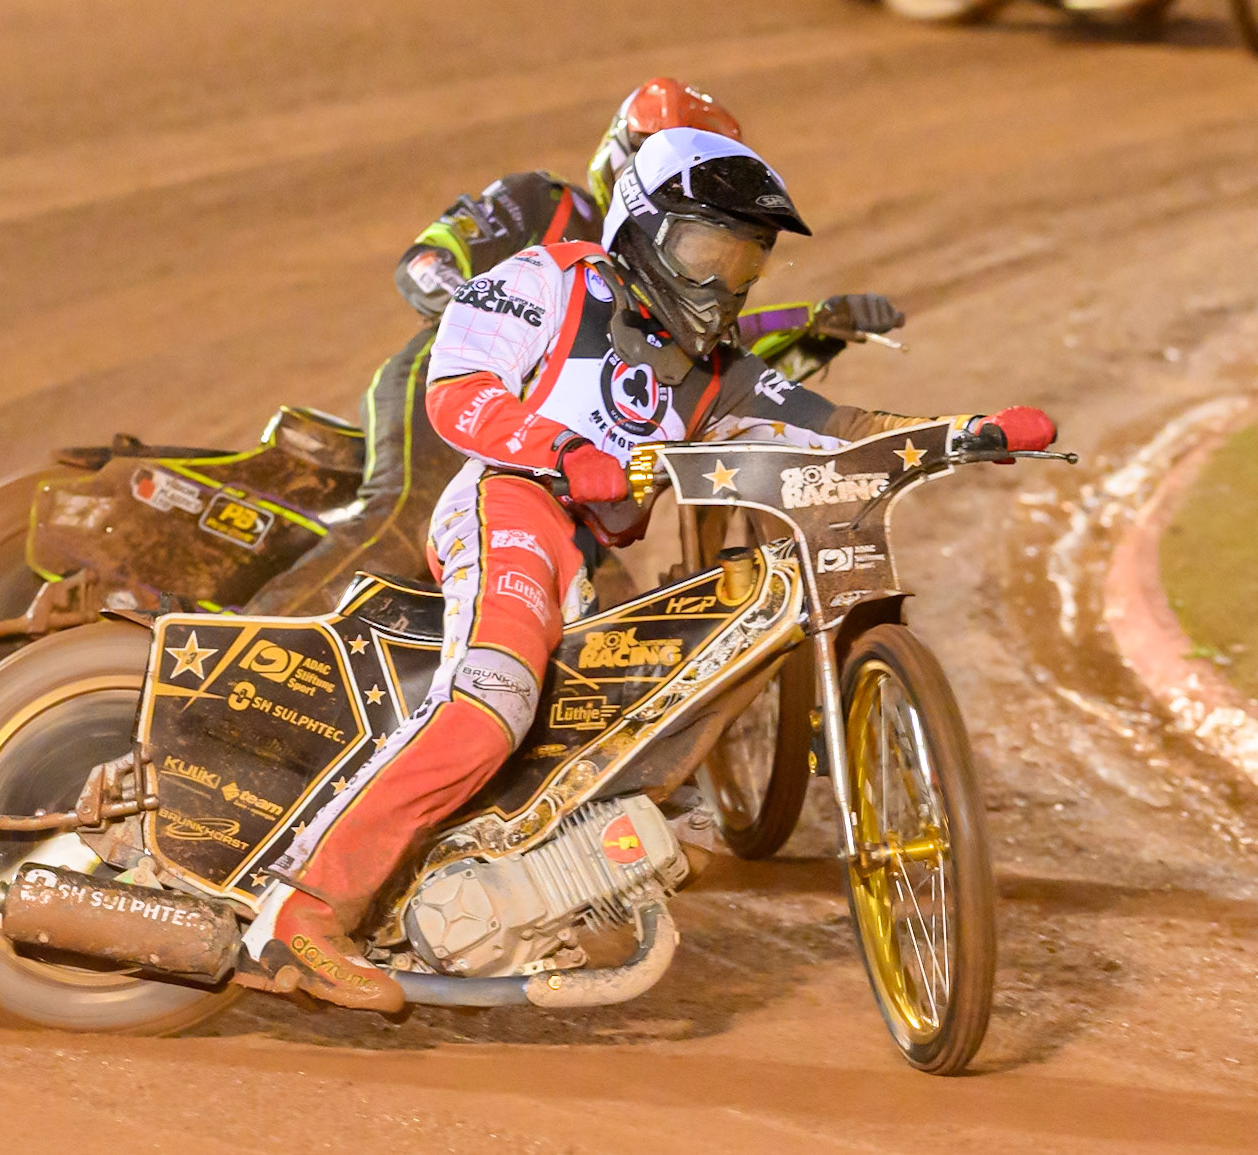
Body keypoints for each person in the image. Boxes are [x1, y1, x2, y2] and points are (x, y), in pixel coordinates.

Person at [237, 128, 1058, 1010]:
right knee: (492, 706)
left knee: (604, 767)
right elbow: (459, 391)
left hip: (581, 554)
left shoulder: (715, 374)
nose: (722, 282)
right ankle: (302, 911)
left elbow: (832, 423)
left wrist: (960, 433)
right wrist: (561, 449)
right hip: (506, 505)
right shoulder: (549, 281)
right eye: (706, 249)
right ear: (642, 228)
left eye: (744, 262)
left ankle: (452, 897)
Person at [245, 78, 896, 616]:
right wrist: (507, 326)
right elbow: (424, 264)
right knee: (397, 531)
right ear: (619, 152)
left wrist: (816, 326)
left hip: (569, 467)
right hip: (468, 395)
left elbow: (716, 377)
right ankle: (221, 680)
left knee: (615, 622)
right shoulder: (546, 206)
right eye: (655, 148)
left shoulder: (696, 271)